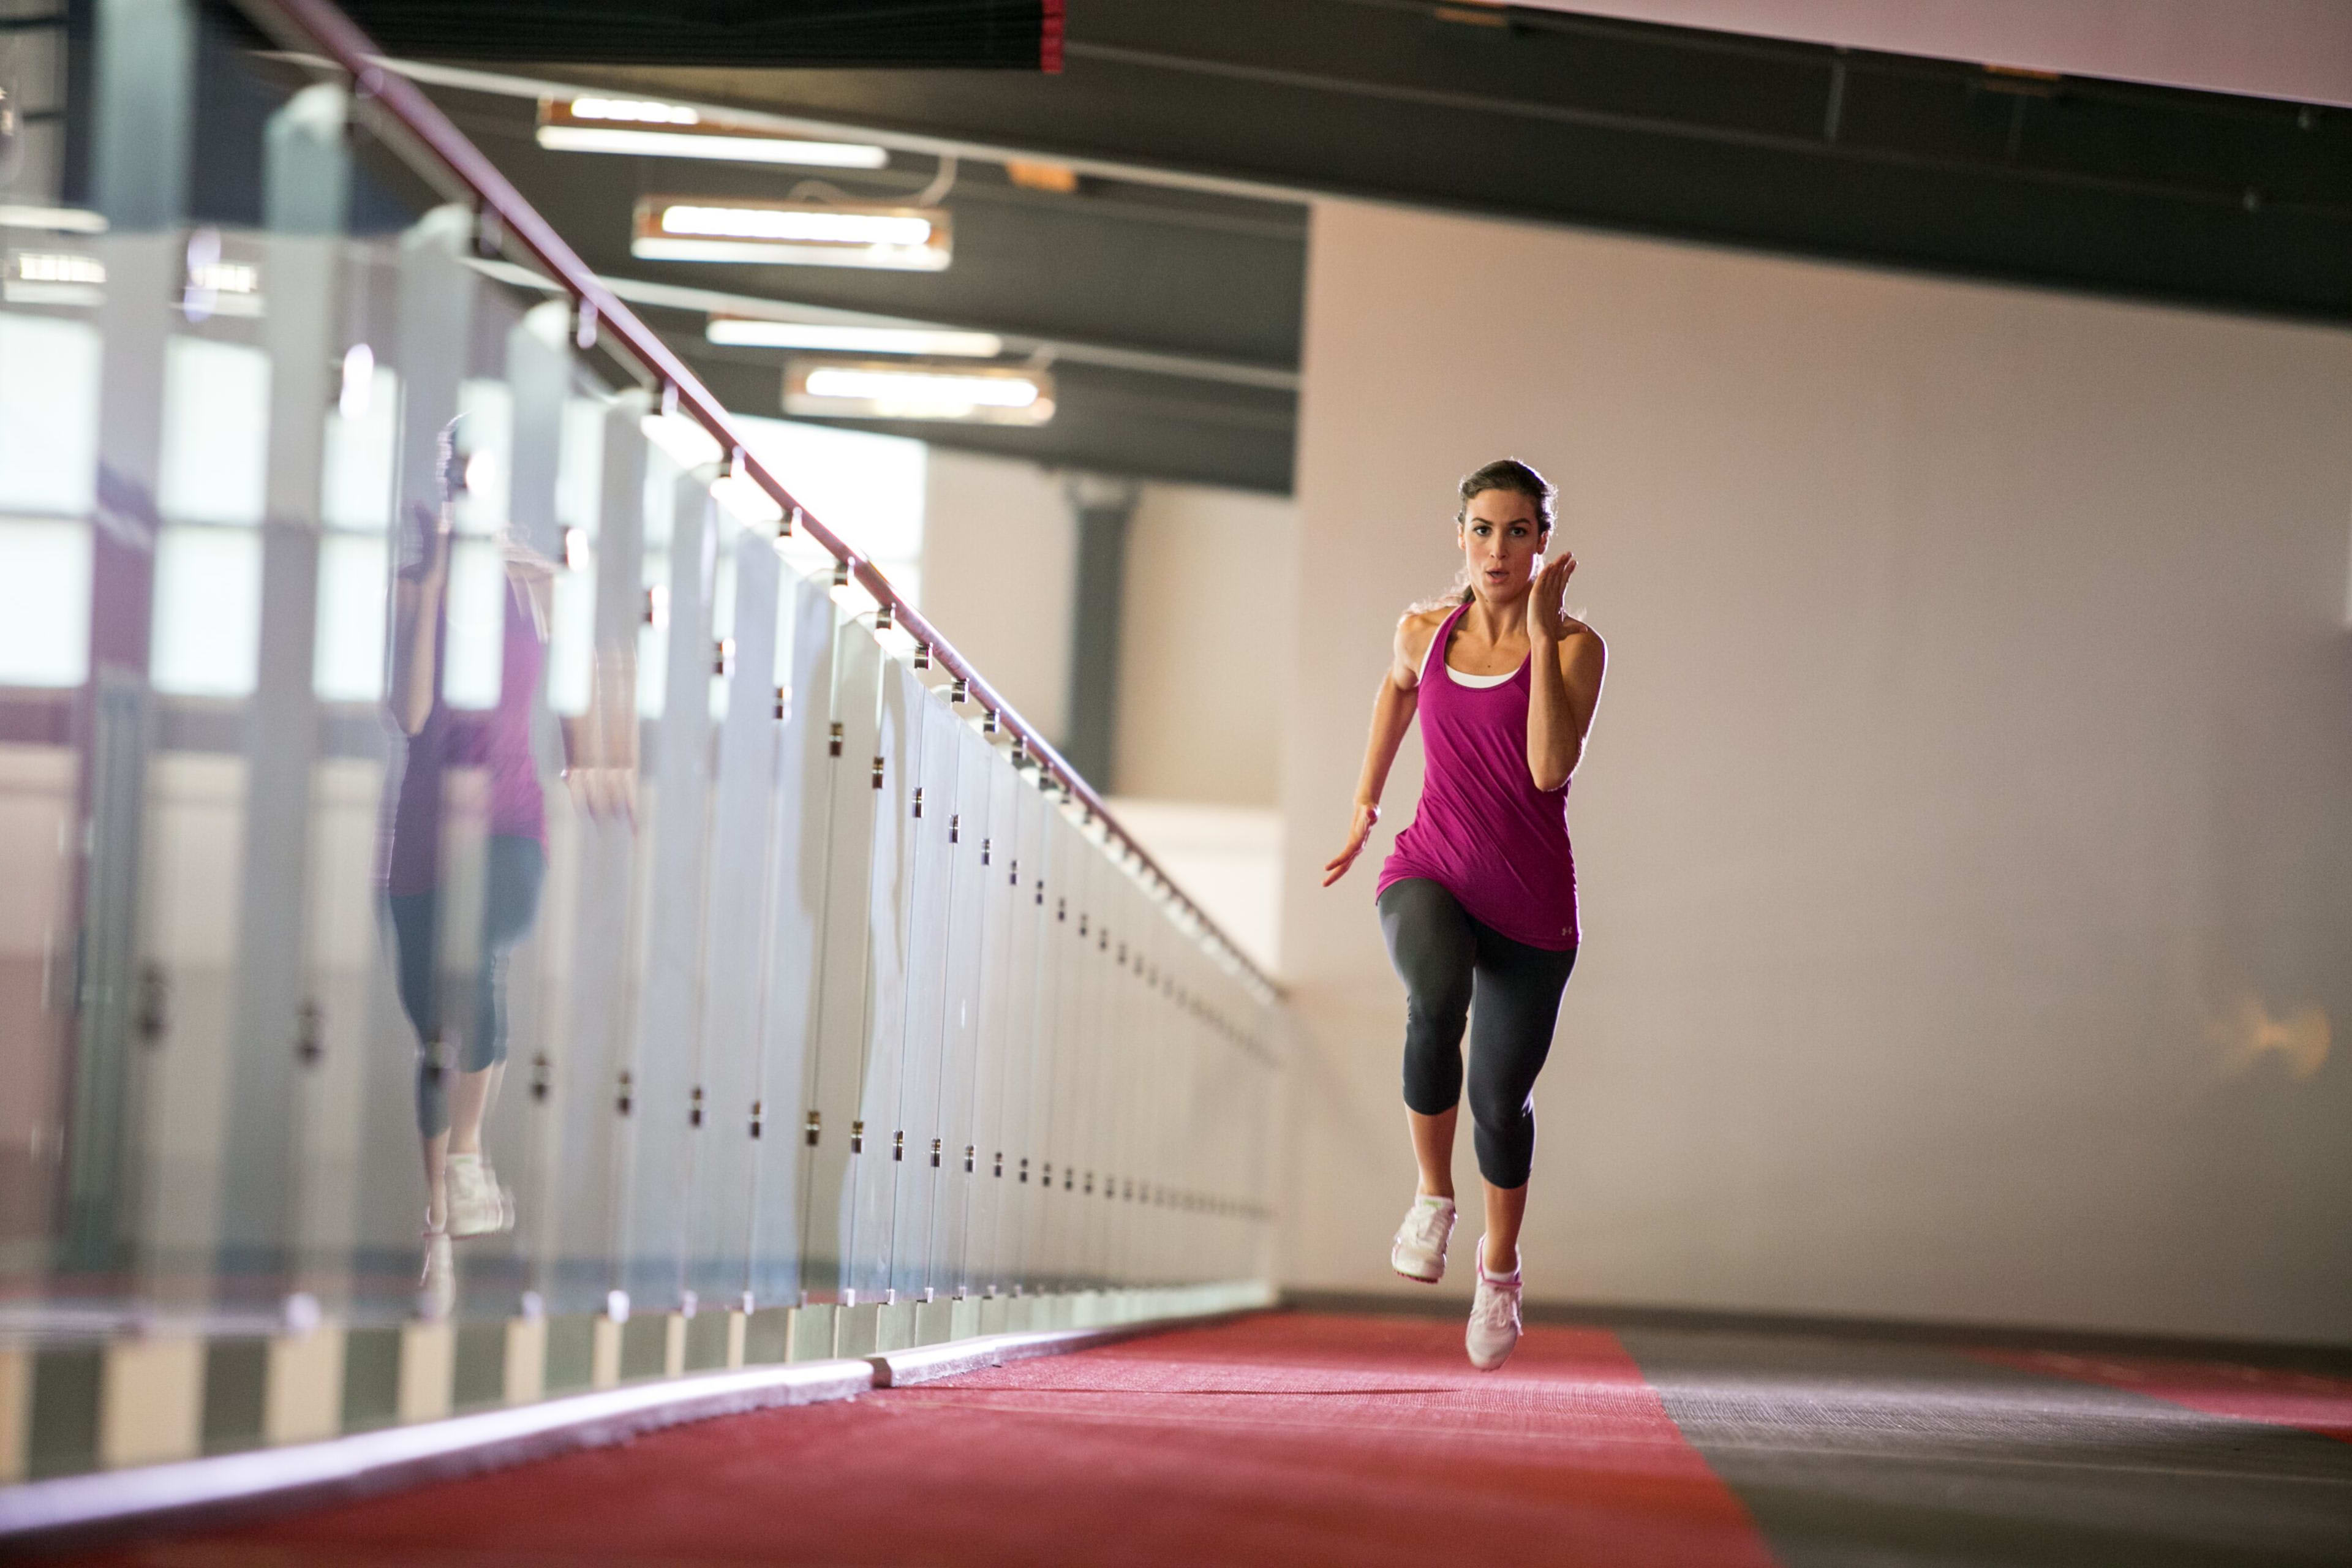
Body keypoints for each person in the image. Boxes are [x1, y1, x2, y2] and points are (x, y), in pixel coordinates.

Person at [1322, 458, 1605, 1371]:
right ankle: (1431, 1198)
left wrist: (1539, 626)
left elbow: (1549, 769)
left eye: (1517, 531)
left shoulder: (1574, 650)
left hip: (1528, 903)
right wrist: (1368, 800)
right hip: (1431, 865)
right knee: (1433, 998)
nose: (1497, 548)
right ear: (1460, 536)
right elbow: (1397, 687)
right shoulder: (1423, 631)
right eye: (1481, 529)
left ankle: (1499, 1267)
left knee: (1499, 1103)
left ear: (1541, 546)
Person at [383, 422, 553, 1321]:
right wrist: (438, 583)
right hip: (423, 836)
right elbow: (410, 715)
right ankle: (440, 1233)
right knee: (432, 1036)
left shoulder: (532, 587)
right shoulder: (414, 588)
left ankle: (470, 1150)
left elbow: (597, 654)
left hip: (512, 822)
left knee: (478, 957)